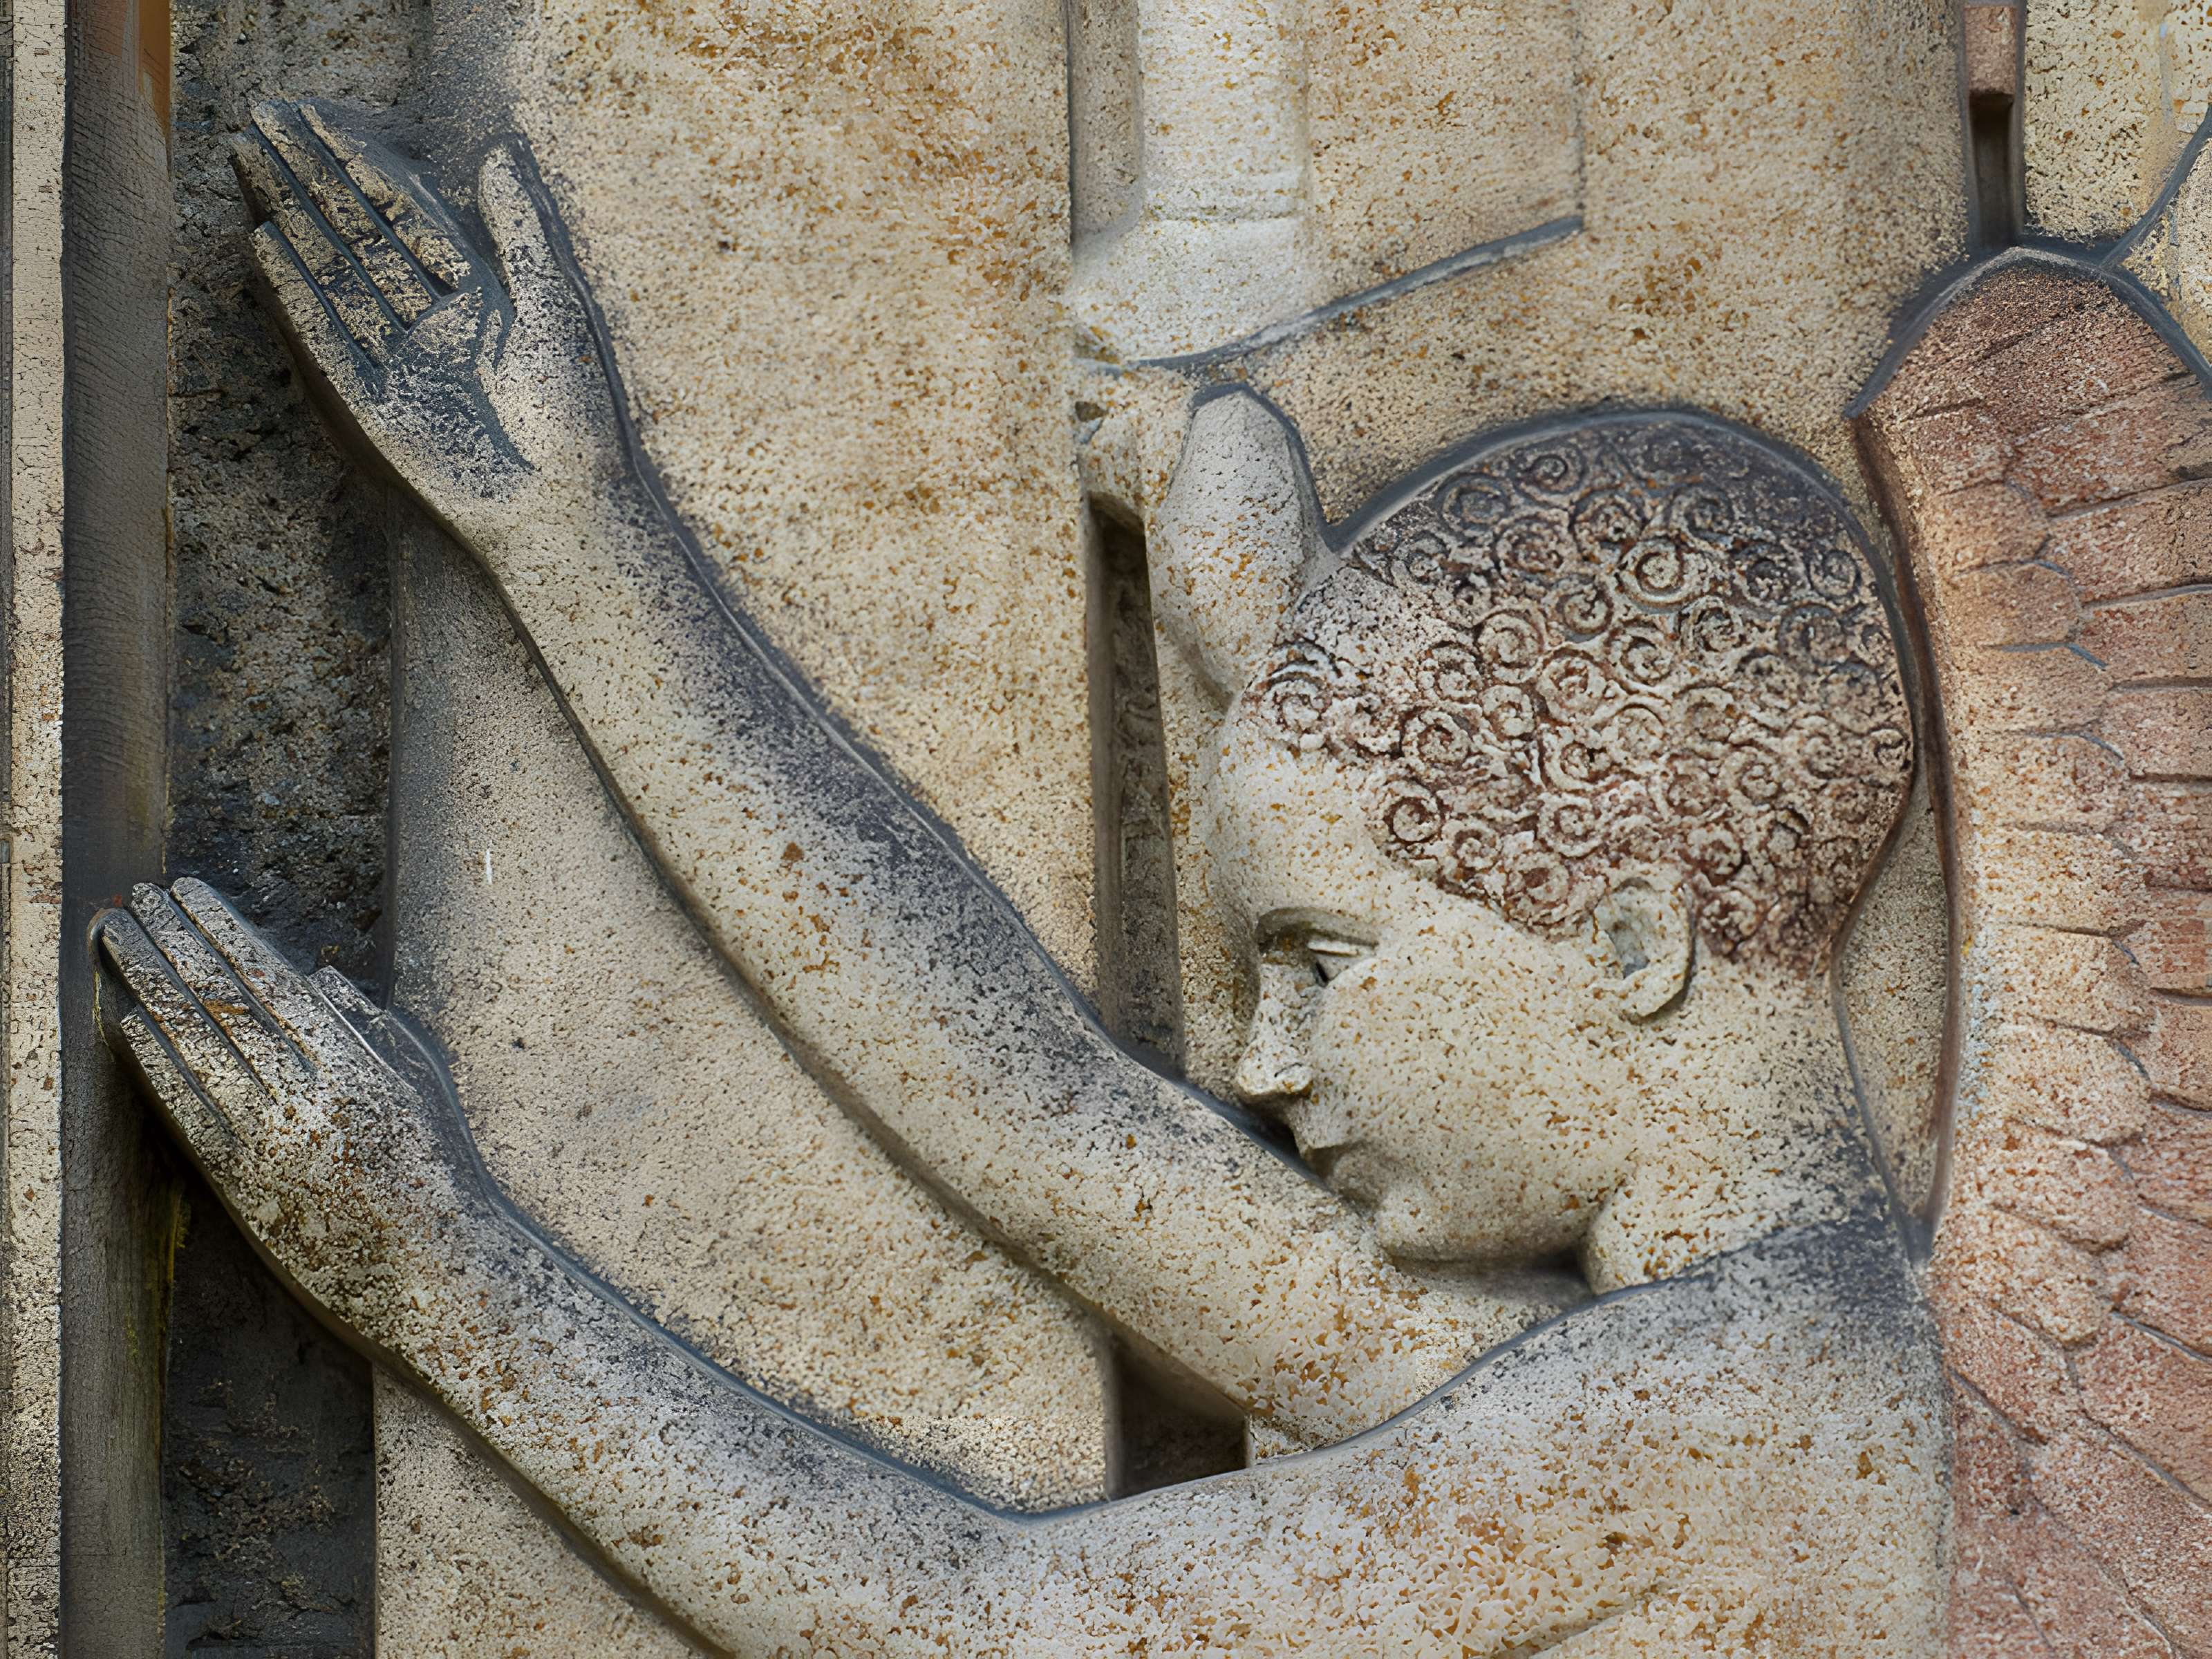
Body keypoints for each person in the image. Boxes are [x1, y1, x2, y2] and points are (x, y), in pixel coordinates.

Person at [91, 100, 1944, 1652]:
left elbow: (988, 1620)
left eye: (1321, 959)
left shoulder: (1732, 1413)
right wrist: (586, 550)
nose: (1264, 1062)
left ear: (1626, 940)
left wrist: (440, 1277)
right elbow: (1044, 1123)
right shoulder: (1735, 1356)